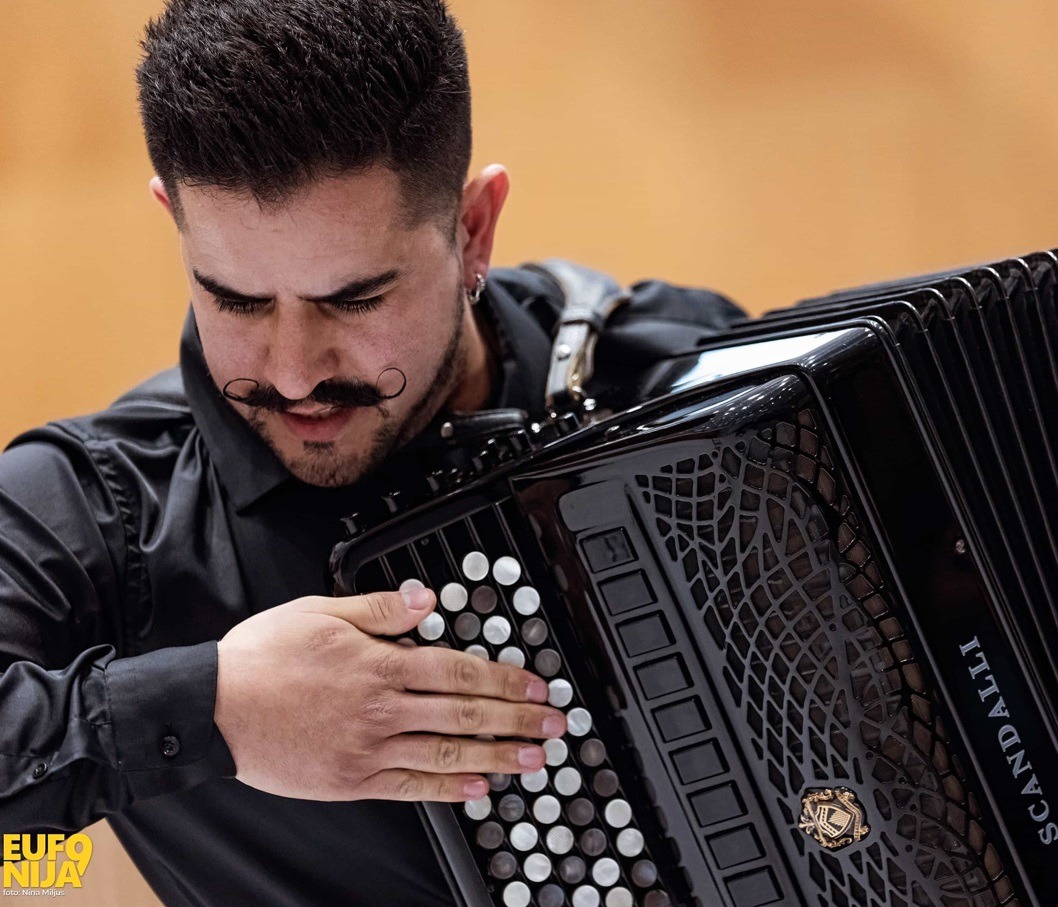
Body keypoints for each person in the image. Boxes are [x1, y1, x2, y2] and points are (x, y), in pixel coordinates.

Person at [0, 1, 744, 903]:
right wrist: (214, 708)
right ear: (177, 223)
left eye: (352, 301)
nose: (294, 371)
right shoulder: (94, 512)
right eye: (235, 299)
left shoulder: (675, 369)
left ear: (473, 228)